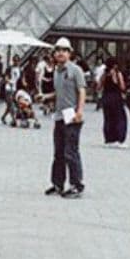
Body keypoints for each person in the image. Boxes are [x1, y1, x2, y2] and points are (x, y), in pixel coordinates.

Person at [45, 37, 86, 198]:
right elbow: (59, 92)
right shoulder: (56, 72)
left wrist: (80, 112)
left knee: (71, 152)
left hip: (72, 117)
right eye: (58, 50)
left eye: (64, 50)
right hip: (59, 116)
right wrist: (47, 96)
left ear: (69, 53)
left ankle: (76, 184)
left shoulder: (75, 70)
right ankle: (57, 183)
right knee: (58, 152)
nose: (60, 53)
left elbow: (82, 91)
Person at [99, 57, 127, 146]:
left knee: (108, 118)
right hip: (116, 97)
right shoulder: (117, 73)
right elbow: (122, 86)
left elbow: (99, 86)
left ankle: (109, 138)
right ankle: (119, 137)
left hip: (106, 96)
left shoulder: (104, 74)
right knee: (119, 118)